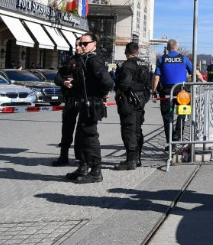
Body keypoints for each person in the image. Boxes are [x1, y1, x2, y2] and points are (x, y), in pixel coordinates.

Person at [66, 33, 114, 184]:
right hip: (85, 102)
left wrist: (101, 95)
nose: (81, 46)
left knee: (90, 136)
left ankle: (95, 172)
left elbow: (107, 82)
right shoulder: (85, 59)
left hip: (92, 104)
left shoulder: (94, 60)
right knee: (81, 135)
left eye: (85, 44)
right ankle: (83, 167)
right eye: (80, 44)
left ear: (94, 44)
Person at [151, 39, 205, 145]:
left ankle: (170, 143)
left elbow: (156, 77)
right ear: (177, 47)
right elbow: (195, 72)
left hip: (166, 91)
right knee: (183, 112)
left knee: (168, 117)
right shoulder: (183, 59)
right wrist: (203, 81)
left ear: (167, 48)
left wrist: (153, 91)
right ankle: (177, 134)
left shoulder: (162, 59)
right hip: (181, 91)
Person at [114, 42, 151, 170]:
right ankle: (137, 158)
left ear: (126, 52)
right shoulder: (143, 64)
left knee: (128, 130)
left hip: (128, 101)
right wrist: (143, 99)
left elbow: (124, 84)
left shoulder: (127, 65)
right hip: (140, 101)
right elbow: (148, 85)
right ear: (137, 51)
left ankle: (131, 160)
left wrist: (119, 94)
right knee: (137, 130)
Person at [51, 37, 82, 166]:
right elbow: (57, 78)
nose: (78, 47)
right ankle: (63, 156)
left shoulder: (91, 61)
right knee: (67, 128)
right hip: (70, 99)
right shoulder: (70, 60)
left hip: (84, 99)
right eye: (76, 45)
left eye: (80, 44)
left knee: (83, 130)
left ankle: (81, 159)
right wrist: (64, 82)